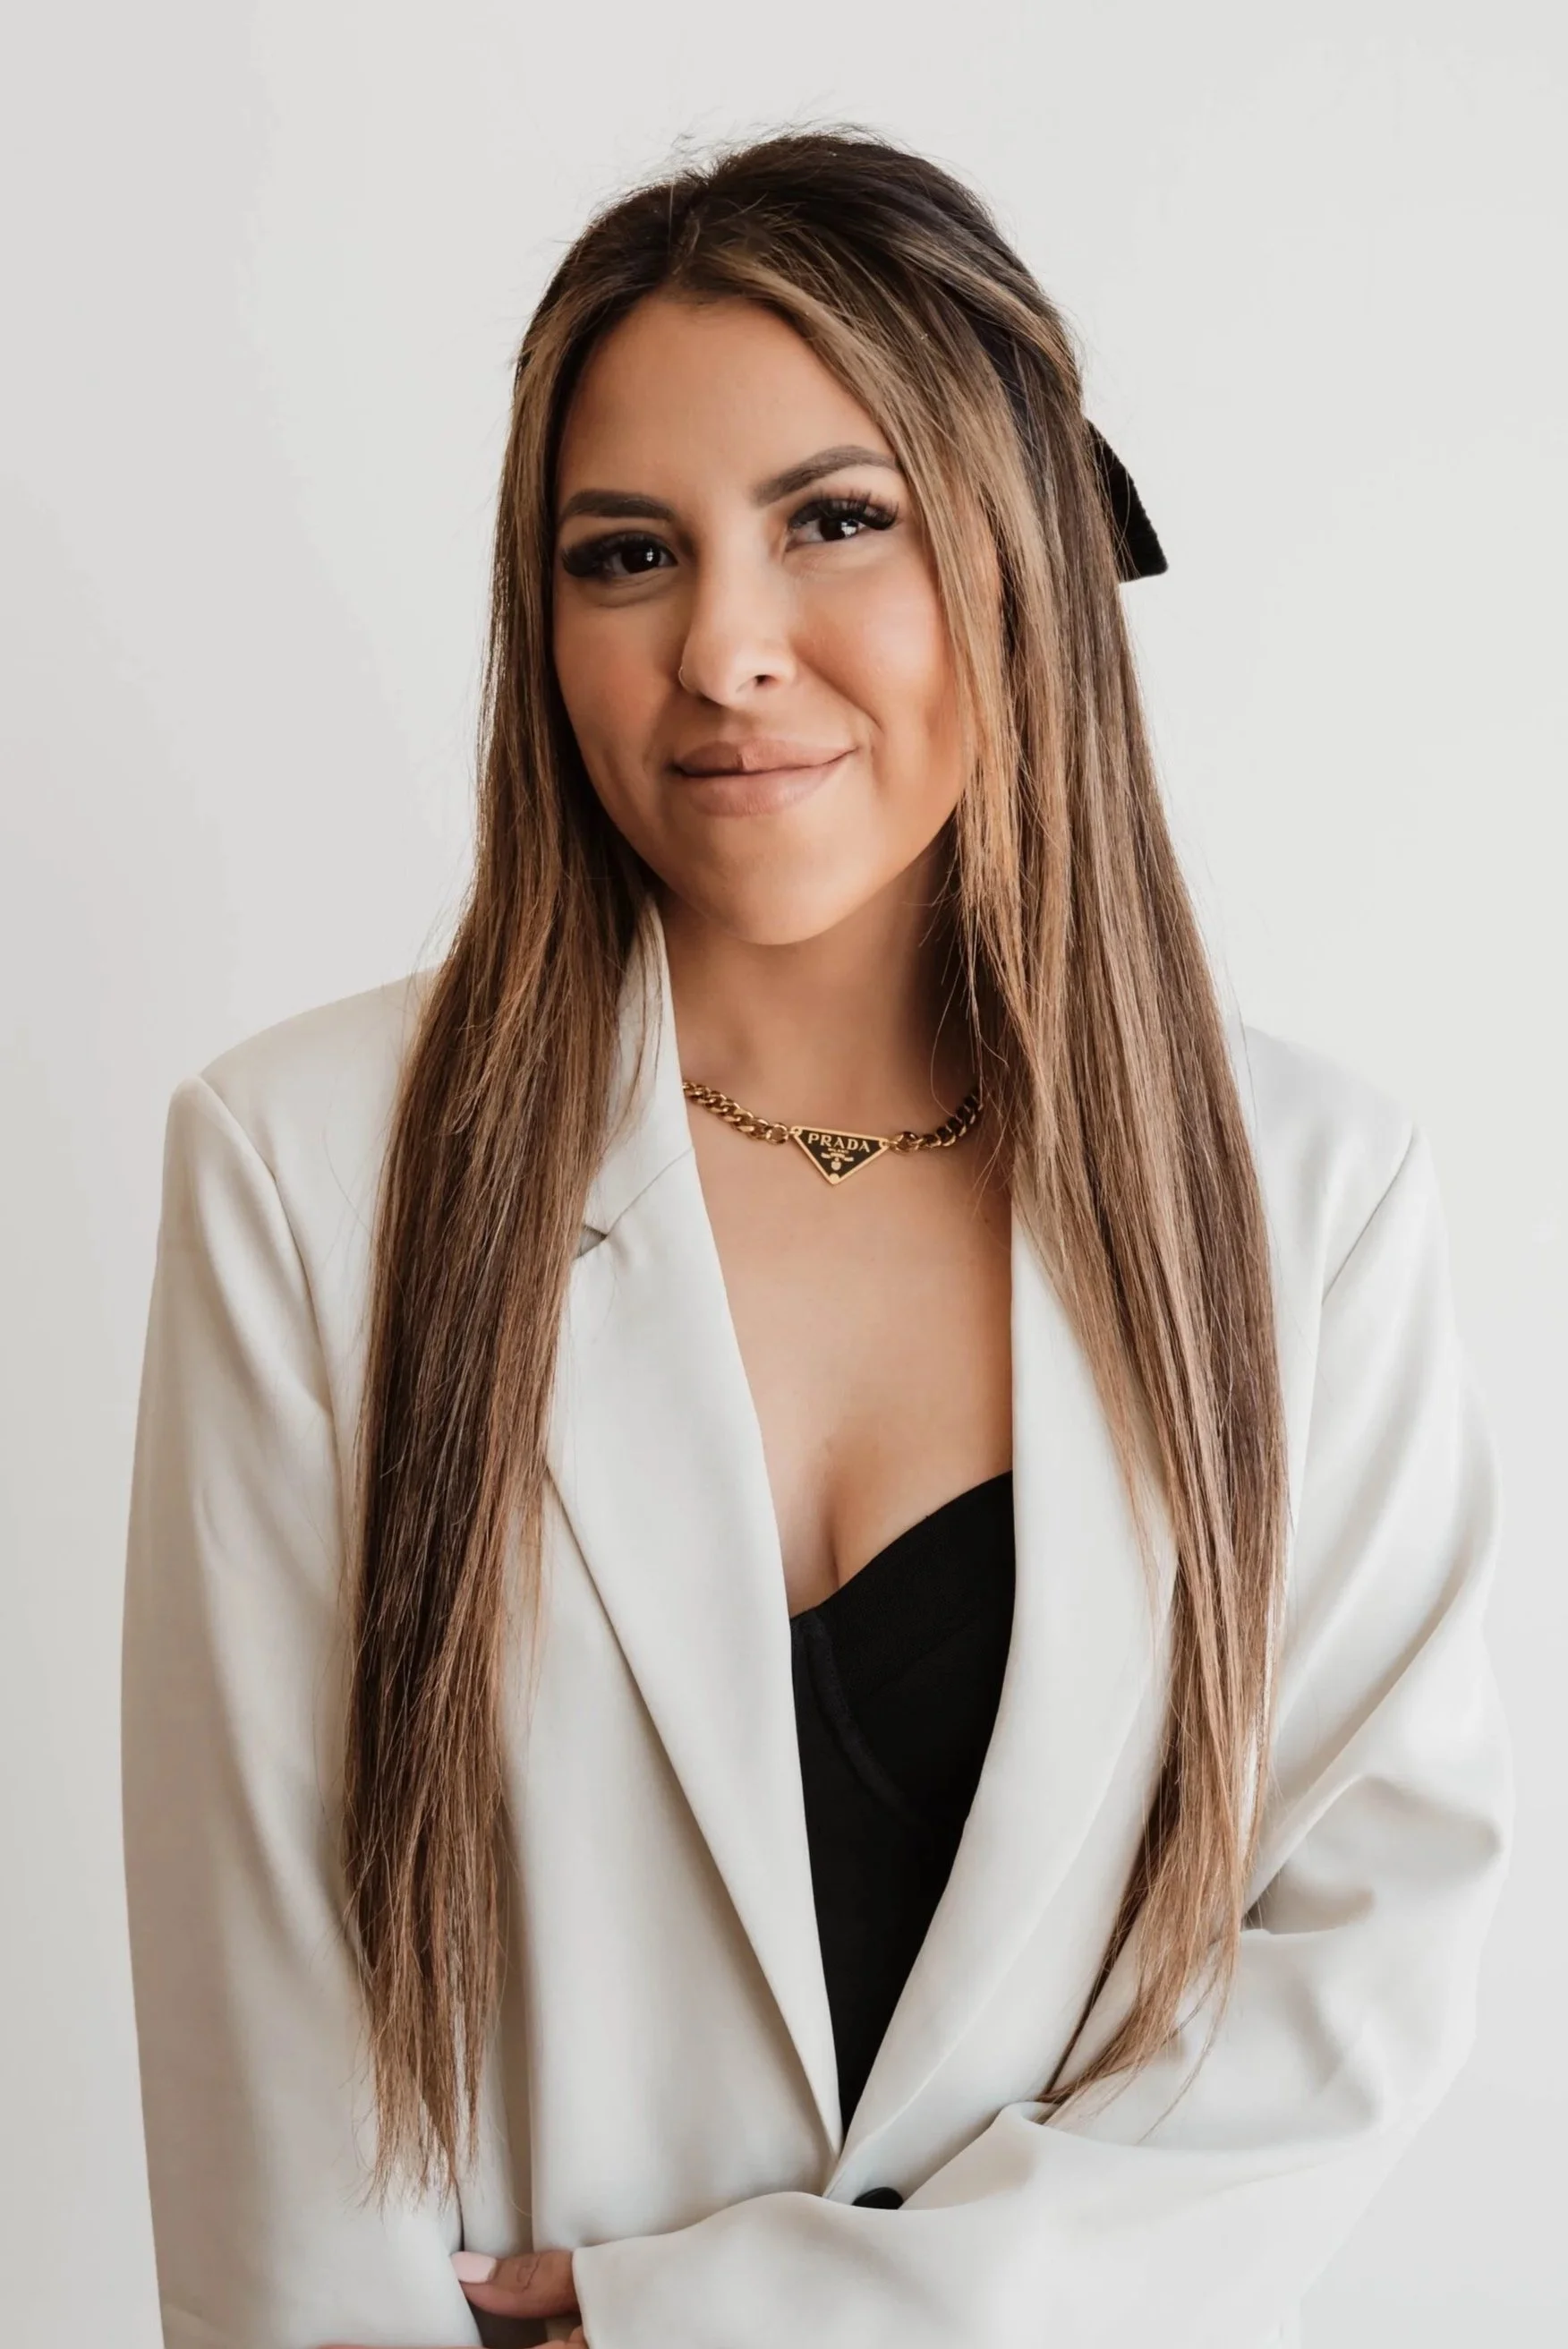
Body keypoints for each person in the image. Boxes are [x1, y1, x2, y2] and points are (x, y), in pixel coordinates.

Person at [121, 129, 1512, 2349]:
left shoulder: (1303, 1201)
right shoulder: (309, 1177)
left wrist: (730, 2323)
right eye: (625, 554)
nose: (724, 651)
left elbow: (1357, 1973)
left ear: (1019, 550)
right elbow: (271, 2083)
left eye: (834, 520)